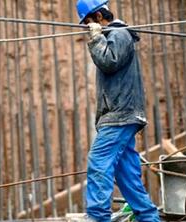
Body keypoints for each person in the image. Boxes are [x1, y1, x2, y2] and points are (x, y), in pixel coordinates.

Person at [76, 0, 160, 221]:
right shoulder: (113, 35)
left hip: (120, 115)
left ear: (98, 17)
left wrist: (96, 39)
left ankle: (97, 218)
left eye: (88, 23)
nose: (87, 28)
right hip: (121, 114)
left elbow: (109, 61)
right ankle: (148, 217)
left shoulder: (120, 33)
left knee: (99, 161)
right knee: (126, 173)